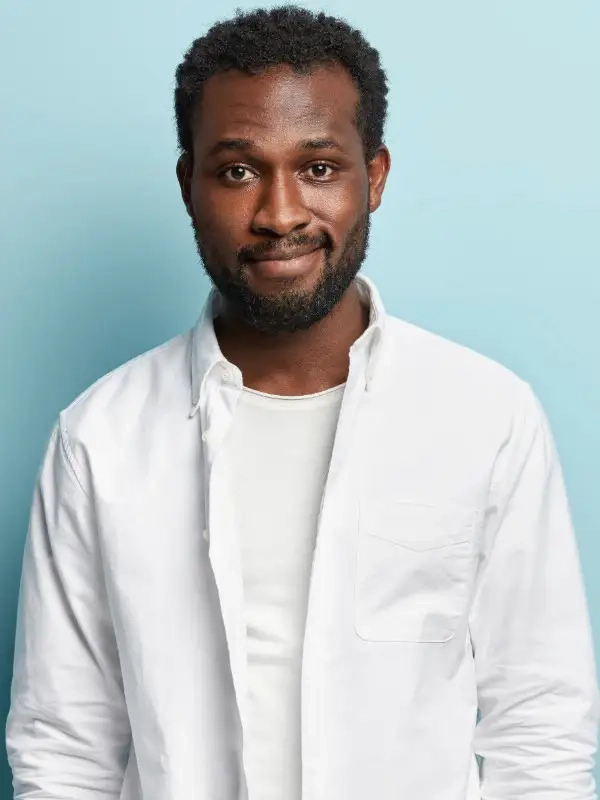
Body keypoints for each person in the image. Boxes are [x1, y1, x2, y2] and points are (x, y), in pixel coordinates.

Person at [6, 6, 598, 800]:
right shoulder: (99, 439)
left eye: (318, 167)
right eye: (238, 171)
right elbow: (64, 748)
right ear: (189, 186)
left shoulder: (486, 418)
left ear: (375, 177)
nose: (281, 214)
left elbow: (541, 727)